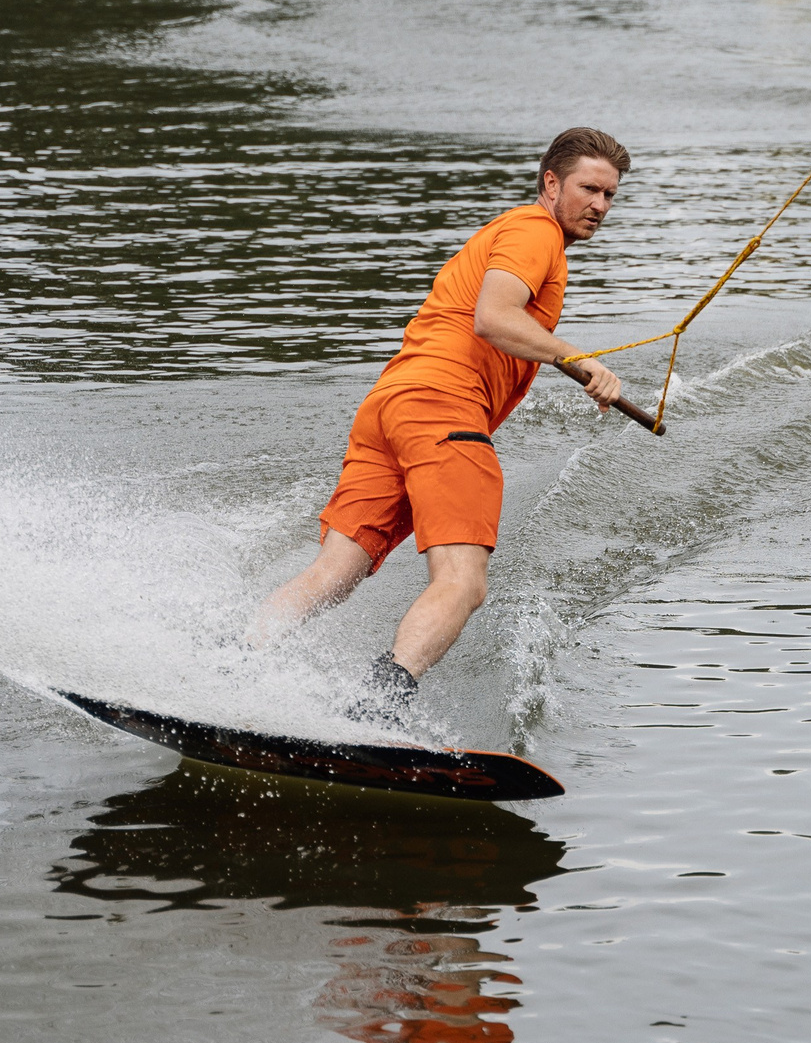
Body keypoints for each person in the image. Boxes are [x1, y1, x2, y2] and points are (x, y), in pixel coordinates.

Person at [249, 128, 631, 723]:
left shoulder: (511, 231)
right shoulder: (536, 233)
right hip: (442, 409)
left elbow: (498, 325)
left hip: (392, 404)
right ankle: (379, 708)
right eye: (589, 189)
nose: (600, 207)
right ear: (551, 183)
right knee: (464, 581)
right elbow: (493, 317)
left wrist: (566, 361)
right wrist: (578, 361)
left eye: (610, 196)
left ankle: (239, 660)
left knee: (336, 570)